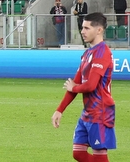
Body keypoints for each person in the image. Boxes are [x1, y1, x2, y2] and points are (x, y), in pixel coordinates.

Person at [52, 12, 116, 162]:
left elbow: (90, 85)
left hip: (101, 111)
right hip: (88, 112)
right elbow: (74, 84)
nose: (82, 31)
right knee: (78, 153)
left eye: (87, 28)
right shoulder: (87, 54)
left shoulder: (102, 53)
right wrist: (59, 110)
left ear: (99, 30)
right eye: (82, 28)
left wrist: (74, 88)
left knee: (100, 156)